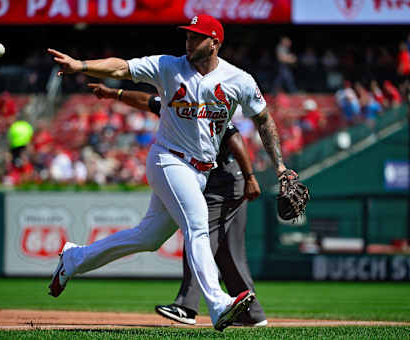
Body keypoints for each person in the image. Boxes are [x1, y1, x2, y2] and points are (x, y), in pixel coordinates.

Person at [47, 14, 294, 331]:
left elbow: (263, 120)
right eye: (187, 36)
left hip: (201, 171)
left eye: (196, 37)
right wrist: (81, 66)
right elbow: (122, 67)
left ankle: (74, 259)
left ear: (215, 42)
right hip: (169, 159)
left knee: (146, 238)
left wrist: (280, 166)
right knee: (197, 224)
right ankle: (218, 304)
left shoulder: (239, 80)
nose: (189, 42)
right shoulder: (168, 66)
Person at [87, 82, 267, 326]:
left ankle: (186, 306)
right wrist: (114, 93)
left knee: (198, 237)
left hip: (225, 181)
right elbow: (145, 100)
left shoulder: (204, 109)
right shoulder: (176, 105)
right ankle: (251, 315)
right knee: (229, 253)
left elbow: (234, 138)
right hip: (224, 180)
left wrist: (250, 177)